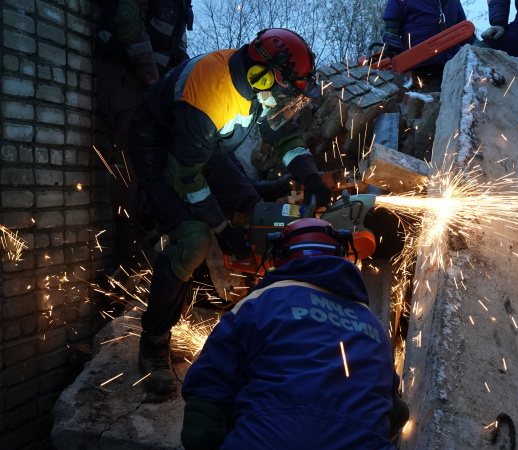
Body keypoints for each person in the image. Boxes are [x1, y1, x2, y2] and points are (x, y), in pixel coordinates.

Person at [129, 28, 332, 398]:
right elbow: (186, 175)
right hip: (159, 149)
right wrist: (221, 228)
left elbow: (284, 135)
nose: (284, 98)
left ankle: (246, 297)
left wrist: (311, 176)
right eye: (284, 89)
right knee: (194, 238)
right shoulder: (208, 92)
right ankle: (154, 340)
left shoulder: (260, 83)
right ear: (262, 75)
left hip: (203, 148)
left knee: (251, 205)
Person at [181, 218, 410, 449]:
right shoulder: (371, 321)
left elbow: (208, 387)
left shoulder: (258, 302)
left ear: (279, 255)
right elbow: (397, 413)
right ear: (342, 254)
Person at [94, 0, 193, 267]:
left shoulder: (182, 5)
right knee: (128, 157)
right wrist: (153, 79)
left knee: (162, 154)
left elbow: (177, 48)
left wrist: (187, 80)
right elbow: (128, 24)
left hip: (154, 84)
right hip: (125, 76)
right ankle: (126, 247)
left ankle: (151, 234)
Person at [381, 0, 476, 87]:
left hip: (452, 63)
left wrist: (478, 46)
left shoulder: (453, 2)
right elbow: (391, 25)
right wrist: (392, 47)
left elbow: (463, 30)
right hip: (417, 62)